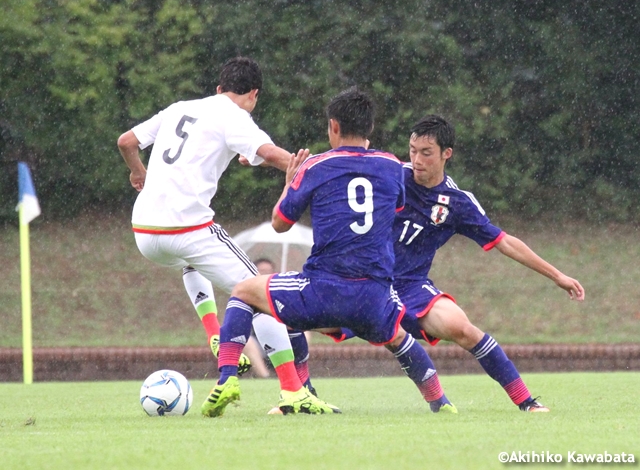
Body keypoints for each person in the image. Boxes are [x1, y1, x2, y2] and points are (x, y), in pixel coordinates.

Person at [201, 88, 455, 418]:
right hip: (373, 294)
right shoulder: (393, 166)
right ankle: (440, 402)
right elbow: (395, 206)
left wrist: (289, 182)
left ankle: (233, 379)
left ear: (333, 126)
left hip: (323, 290)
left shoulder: (316, 166)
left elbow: (279, 223)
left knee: (245, 292)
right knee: (398, 338)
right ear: (371, 127)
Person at [117, 56, 333, 411]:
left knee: (193, 263)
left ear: (218, 89)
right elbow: (268, 152)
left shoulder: (180, 108)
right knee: (262, 294)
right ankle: (294, 391)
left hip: (145, 233)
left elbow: (126, 141)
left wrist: (138, 172)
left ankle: (216, 335)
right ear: (254, 95)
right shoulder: (234, 115)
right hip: (187, 227)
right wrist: (300, 167)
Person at [379, 115, 585, 412]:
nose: (416, 159)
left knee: (463, 328)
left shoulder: (457, 202)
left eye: (426, 153)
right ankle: (302, 395)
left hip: (410, 286)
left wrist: (557, 275)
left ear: (446, 153)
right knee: (299, 315)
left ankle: (526, 403)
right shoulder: (392, 175)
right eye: (412, 150)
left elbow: (505, 242)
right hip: (366, 279)